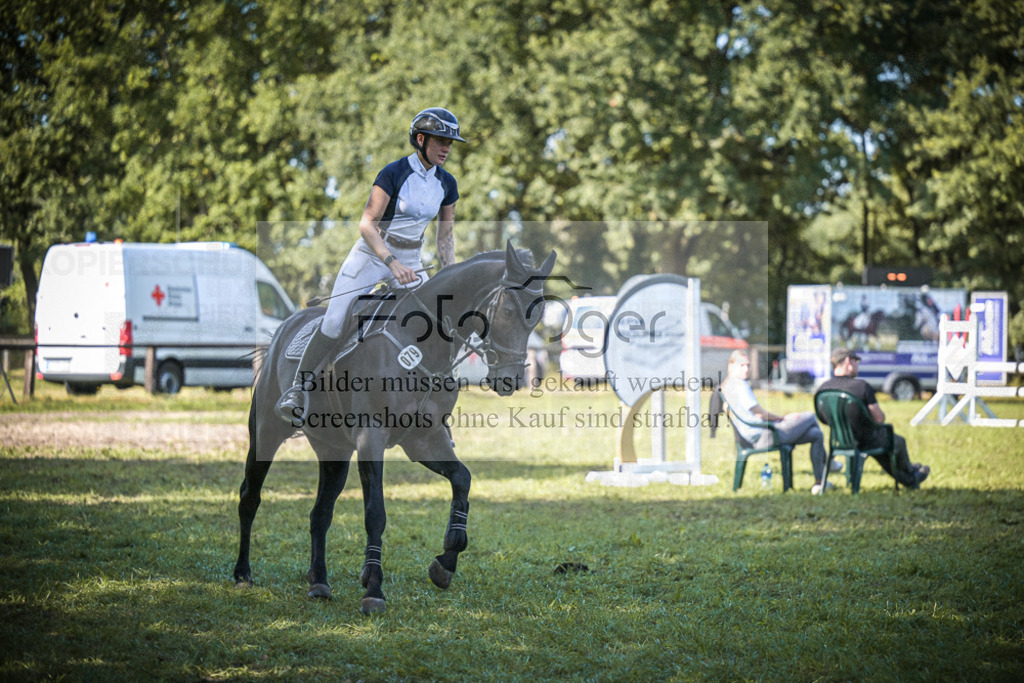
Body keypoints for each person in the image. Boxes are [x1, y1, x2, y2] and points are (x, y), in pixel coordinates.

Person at [276, 107, 466, 422]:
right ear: (421, 140)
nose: (447, 148)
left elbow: (445, 237)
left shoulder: (448, 183)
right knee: (335, 320)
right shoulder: (392, 173)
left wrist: (451, 275)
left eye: (451, 142)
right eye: (441, 141)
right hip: (371, 254)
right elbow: (366, 224)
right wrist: (391, 263)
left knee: (434, 320)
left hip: (412, 260)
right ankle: (298, 387)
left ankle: (429, 399)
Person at [721, 349, 839, 494]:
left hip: (754, 435)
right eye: (742, 365)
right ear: (731, 366)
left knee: (816, 434)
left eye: (748, 365)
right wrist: (783, 418)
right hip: (764, 436)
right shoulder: (740, 385)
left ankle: (820, 483)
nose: (746, 369)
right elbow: (759, 413)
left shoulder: (727, 386)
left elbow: (752, 414)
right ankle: (829, 463)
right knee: (810, 416)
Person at [815, 348, 930, 488]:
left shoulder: (823, 389)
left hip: (839, 441)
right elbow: (879, 418)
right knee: (896, 442)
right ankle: (911, 472)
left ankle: (911, 477)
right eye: (856, 361)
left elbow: (823, 418)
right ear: (848, 362)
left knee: (884, 450)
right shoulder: (862, 386)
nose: (857, 365)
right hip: (866, 440)